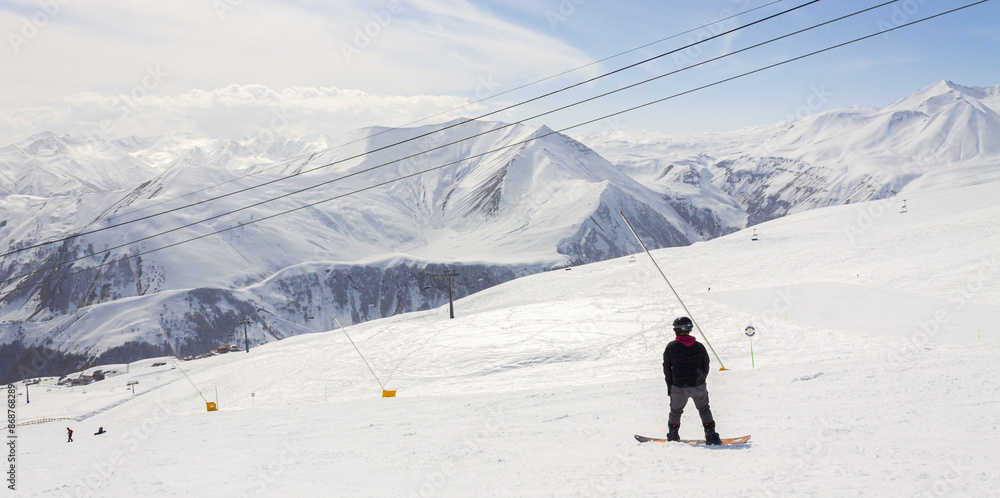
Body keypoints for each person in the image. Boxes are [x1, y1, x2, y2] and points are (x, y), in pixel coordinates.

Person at [662, 316, 722, 445]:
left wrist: (670, 386)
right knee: (704, 409)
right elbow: (706, 365)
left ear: (678, 330)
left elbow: (666, 368)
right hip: (698, 385)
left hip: (678, 387)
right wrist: (701, 379)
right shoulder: (699, 347)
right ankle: (711, 435)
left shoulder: (671, 347)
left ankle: (673, 436)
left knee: (675, 411)